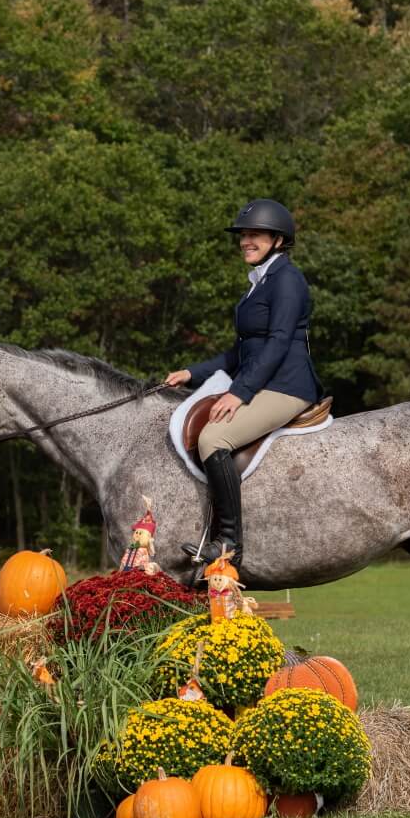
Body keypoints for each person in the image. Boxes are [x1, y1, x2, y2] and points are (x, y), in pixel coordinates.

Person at [164, 199, 323, 572]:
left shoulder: (287, 280)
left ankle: (228, 543)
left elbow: (279, 342)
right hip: (264, 379)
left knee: (213, 439)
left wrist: (240, 393)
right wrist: (192, 372)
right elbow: (240, 352)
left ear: (278, 240)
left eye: (254, 235)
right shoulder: (261, 281)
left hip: (287, 386)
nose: (245, 241)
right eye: (243, 235)